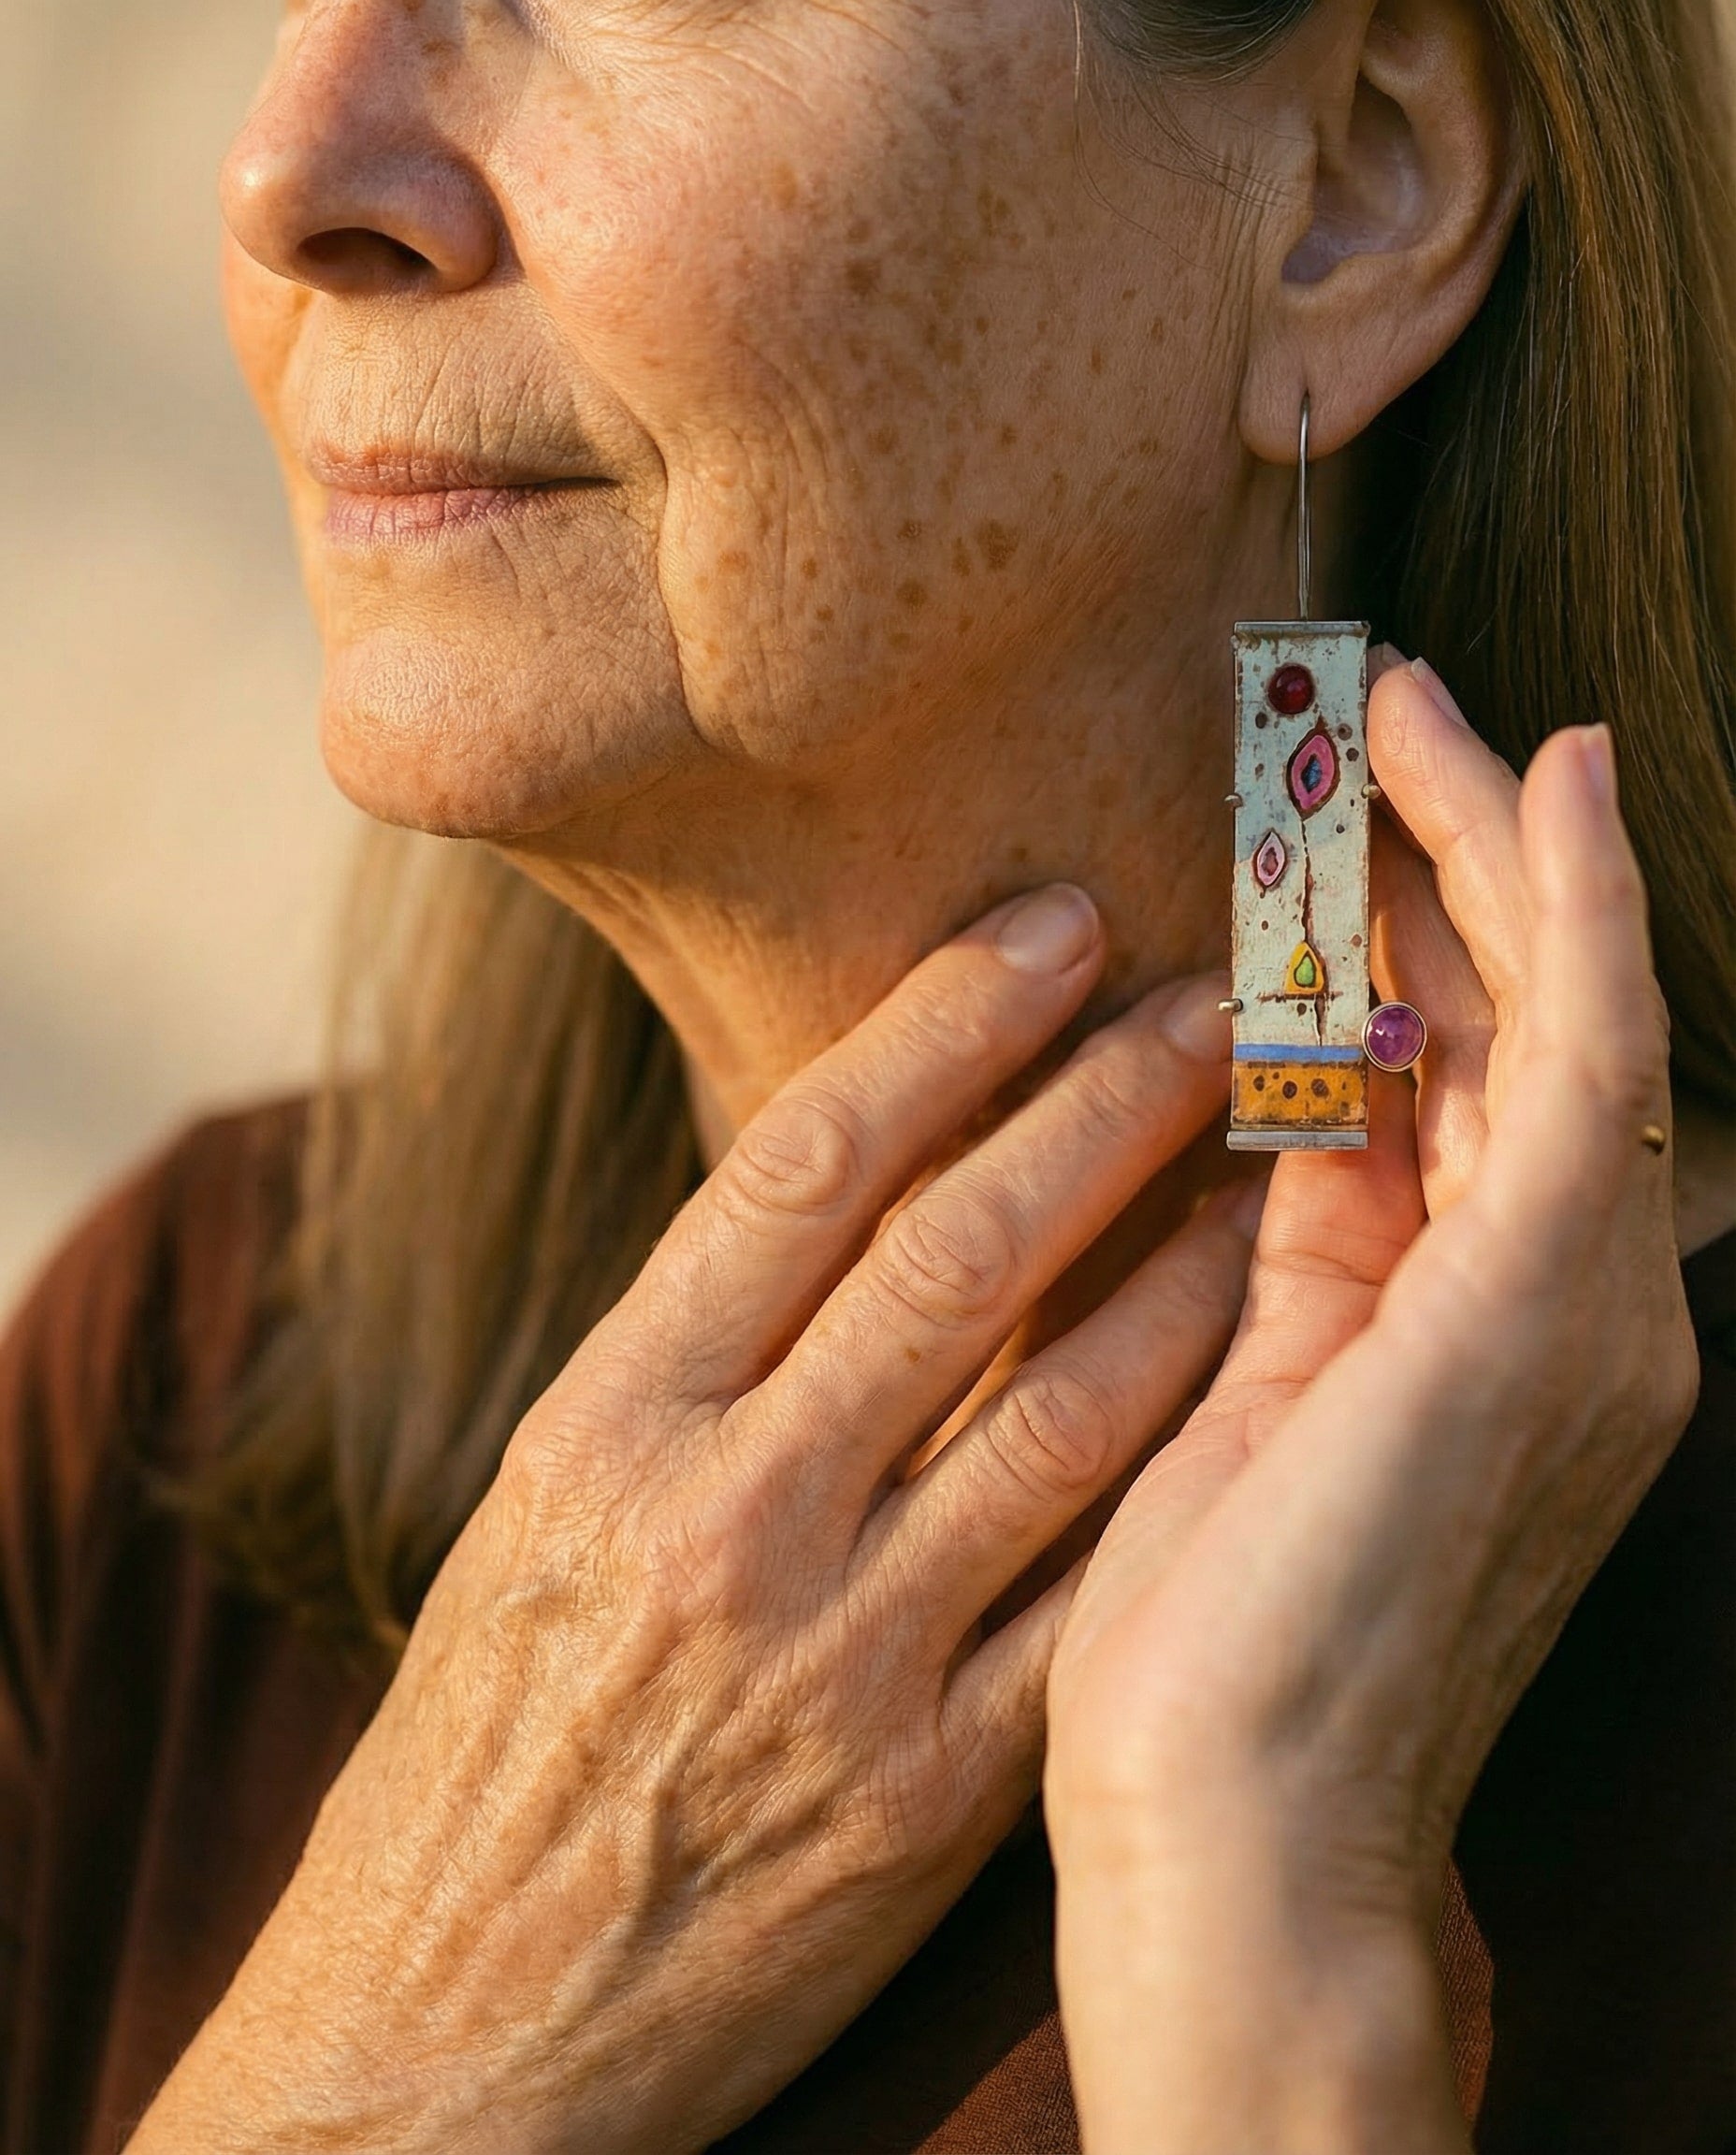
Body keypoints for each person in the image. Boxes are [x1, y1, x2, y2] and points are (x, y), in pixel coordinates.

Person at [2, 0, 1731, 2148]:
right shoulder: (174, 1367)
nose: (290, 172)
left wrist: (1251, 1931)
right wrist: (389, 2075)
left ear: (1352, 189)